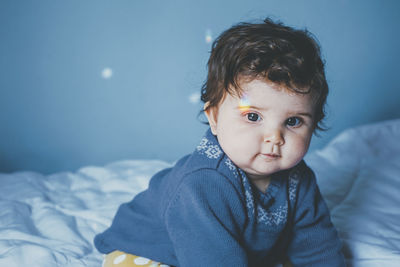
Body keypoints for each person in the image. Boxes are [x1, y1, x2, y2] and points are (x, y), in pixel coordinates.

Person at [94, 18, 346, 267]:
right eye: (253, 116)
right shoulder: (202, 184)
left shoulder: (299, 180)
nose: (275, 137)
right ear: (214, 117)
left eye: (293, 121)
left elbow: (317, 244)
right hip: (151, 249)